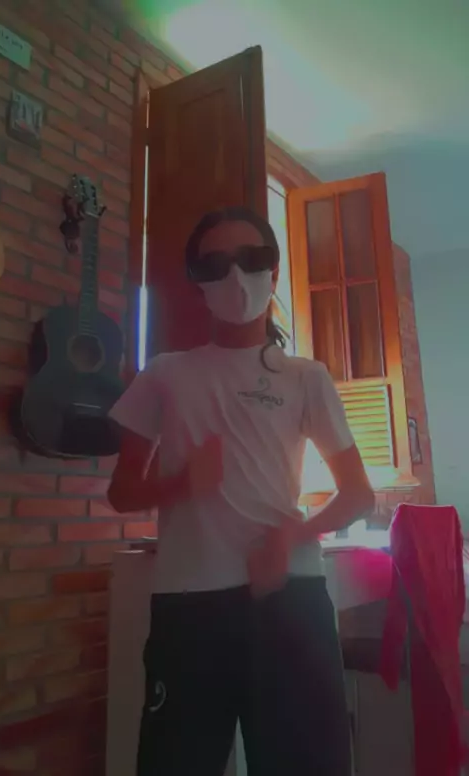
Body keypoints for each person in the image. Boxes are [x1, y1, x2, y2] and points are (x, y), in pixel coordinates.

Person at [107, 206, 375, 776]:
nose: (236, 277)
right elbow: (121, 492)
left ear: (274, 272)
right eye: (216, 264)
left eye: (252, 260)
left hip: (290, 602)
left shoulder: (306, 377)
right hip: (188, 608)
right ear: (197, 282)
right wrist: (182, 484)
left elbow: (358, 494)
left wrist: (292, 535)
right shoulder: (164, 374)